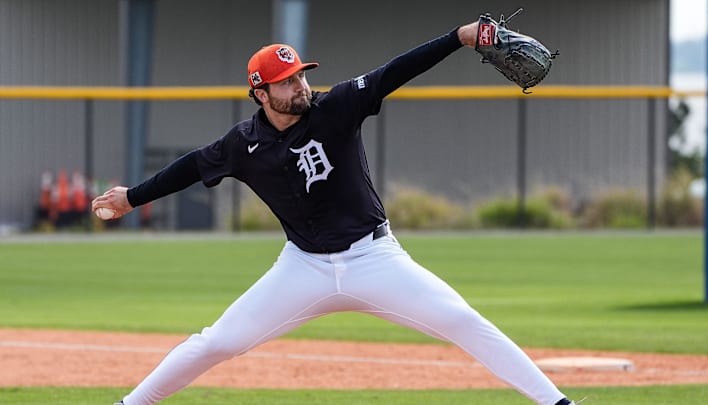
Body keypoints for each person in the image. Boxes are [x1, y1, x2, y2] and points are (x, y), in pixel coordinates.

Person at [93, 18, 581, 405]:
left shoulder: (337, 106)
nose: (300, 85)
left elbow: (395, 71)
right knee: (218, 341)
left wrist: (458, 38)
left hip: (375, 259)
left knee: (461, 320)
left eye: (301, 74)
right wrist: (131, 197)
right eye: (286, 81)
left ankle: (557, 403)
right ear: (261, 94)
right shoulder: (242, 144)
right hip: (303, 267)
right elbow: (189, 168)